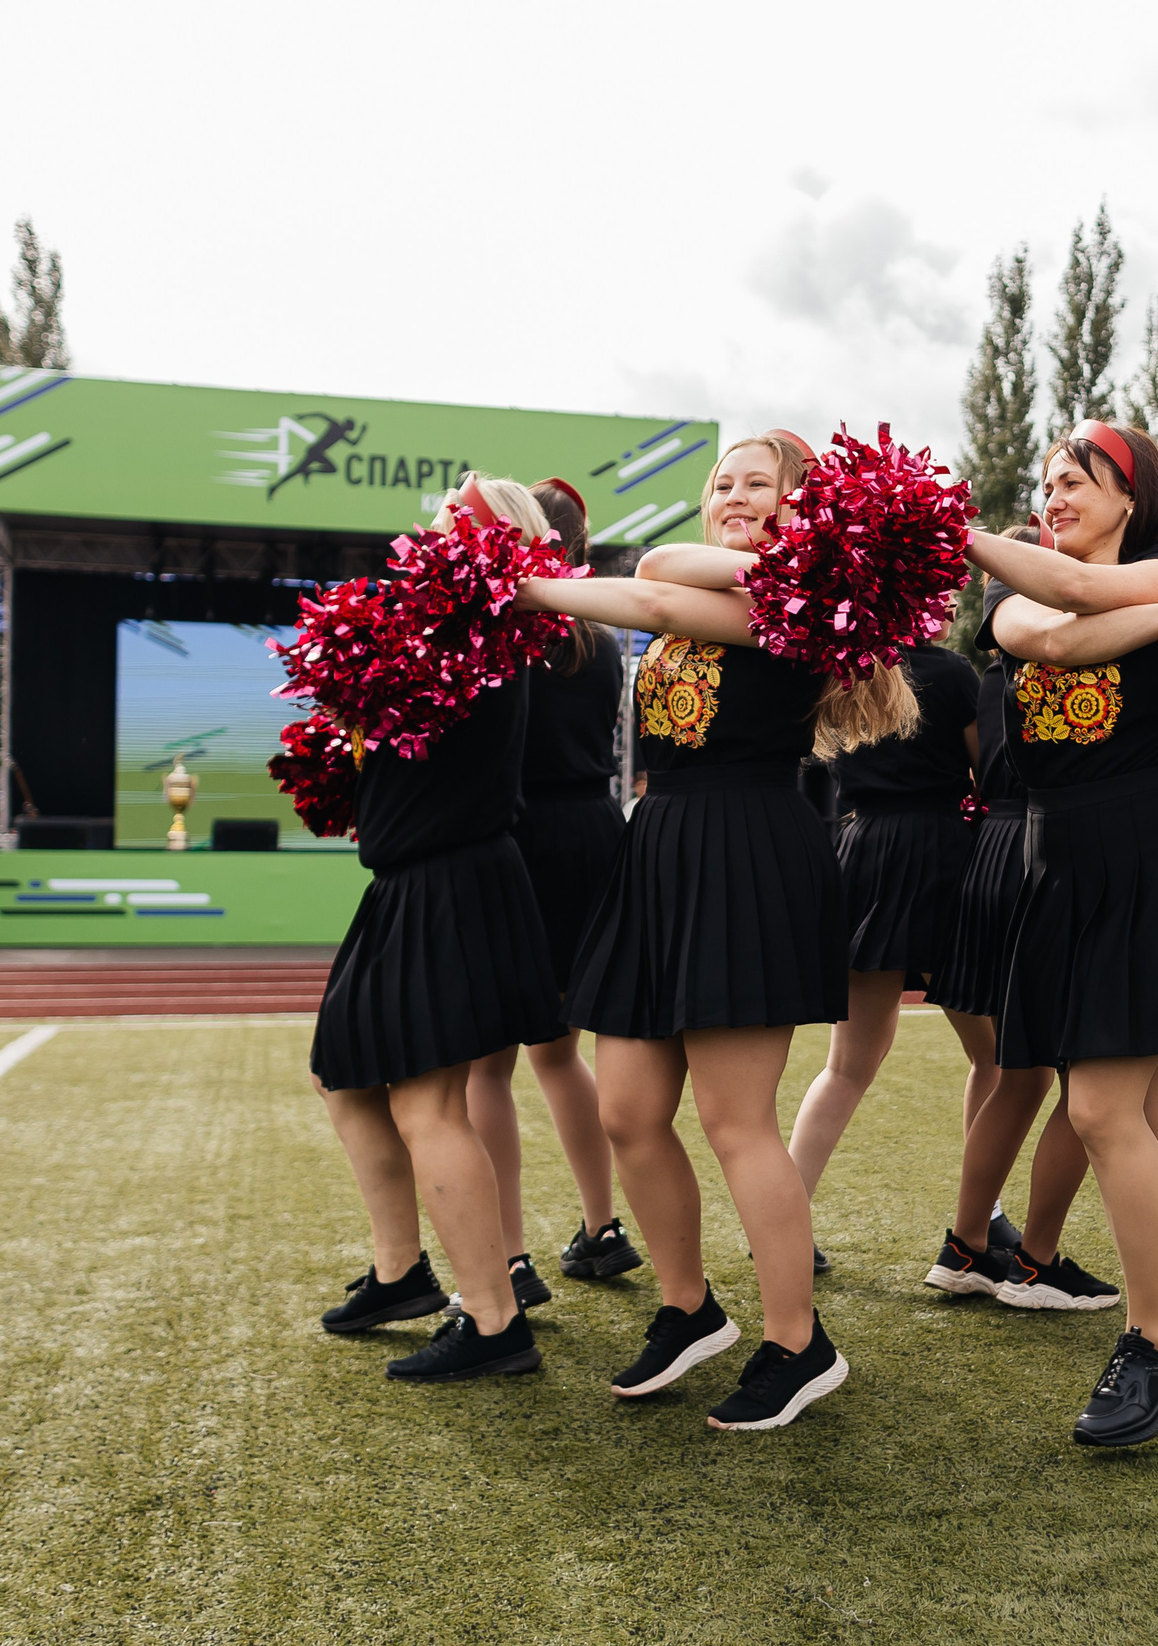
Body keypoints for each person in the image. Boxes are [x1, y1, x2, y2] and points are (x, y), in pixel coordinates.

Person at [516, 432, 914, 1430]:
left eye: (758, 485)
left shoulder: (784, 607)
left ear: (804, 508)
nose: (733, 496)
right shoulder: (741, 593)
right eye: (721, 484)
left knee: (737, 1126)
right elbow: (656, 591)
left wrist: (523, 584)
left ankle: (797, 1341)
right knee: (628, 1110)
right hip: (660, 848)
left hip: (744, 849)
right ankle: (689, 1307)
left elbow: (648, 585)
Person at [967, 416, 1158, 1446]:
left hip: (1153, 853)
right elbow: (1060, 630)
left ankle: (1152, 1342)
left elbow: (1095, 598)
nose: (1053, 496)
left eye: (1078, 480)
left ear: (1131, 494)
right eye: (1046, 480)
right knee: (1133, 1117)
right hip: (1061, 866)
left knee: (1102, 1113)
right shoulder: (1017, 597)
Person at [309, 477, 566, 1383]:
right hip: (417, 880)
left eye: (461, 515)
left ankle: (495, 1323)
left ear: (498, 543)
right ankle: (400, 1272)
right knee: (342, 1071)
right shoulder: (445, 623)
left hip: (447, 879)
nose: (436, 526)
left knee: (427, 1105)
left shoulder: (474, 622)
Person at [466, 477, 638, 1306]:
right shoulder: (598, 639)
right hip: (595, 836)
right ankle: (602, 1227)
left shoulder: (506, 634)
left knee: (486, 1068)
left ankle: (509, 1257)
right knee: (564, 1052)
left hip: (521, 841)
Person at [926, 537, 1106, 1312]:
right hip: (1042, 846)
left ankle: (968, 1244)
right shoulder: (1060, 648)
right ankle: (1033, 1259)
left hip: (994, 852)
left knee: (1023, 1069)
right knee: (1092, 1071)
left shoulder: (996, 670)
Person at [785, 630, 983, 1265]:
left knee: (845, 1067)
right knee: (998, 1060)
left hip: (863, 851)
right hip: (943, 854)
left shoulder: (844, 668)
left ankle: (783, 1223)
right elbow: (986, 771)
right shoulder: (952, 673)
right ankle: (977, 1228)